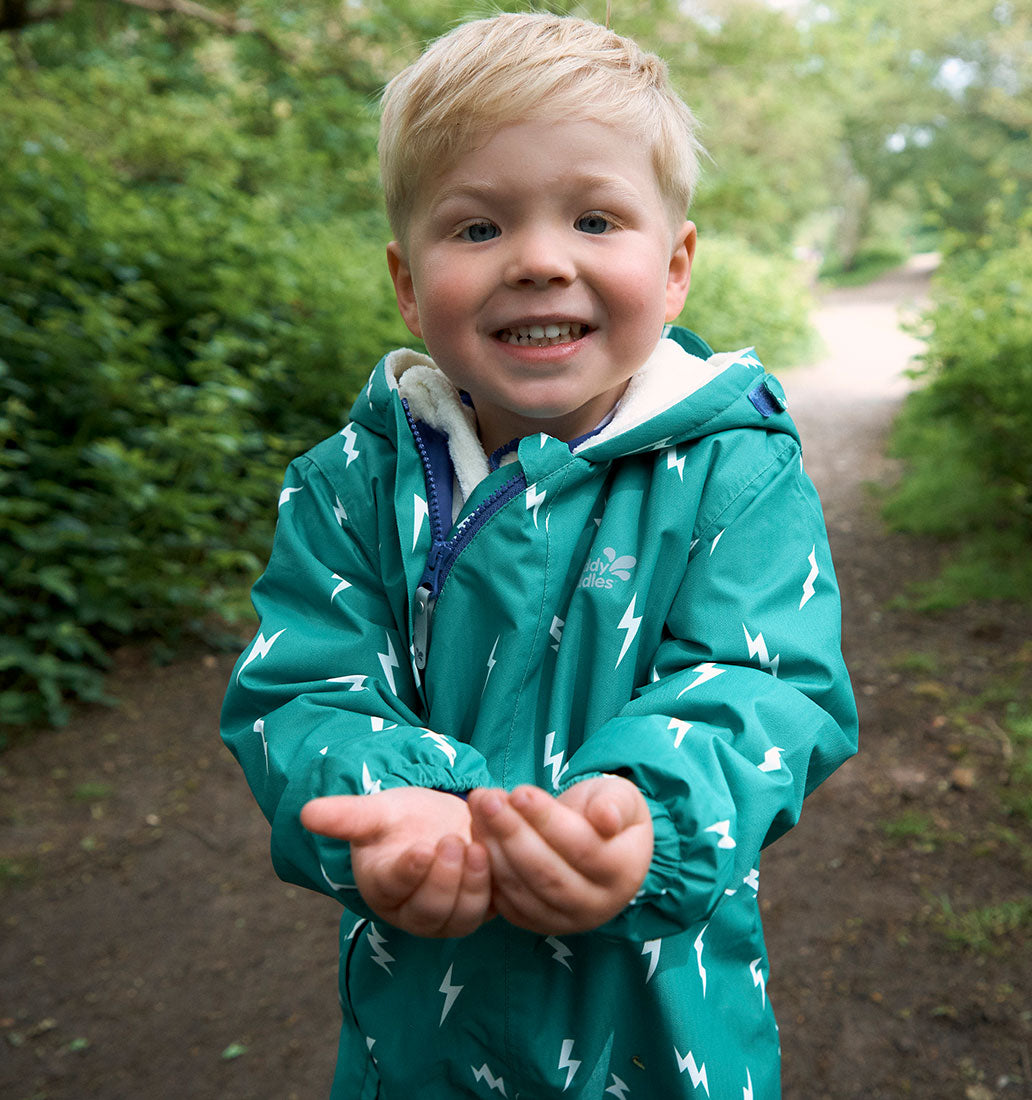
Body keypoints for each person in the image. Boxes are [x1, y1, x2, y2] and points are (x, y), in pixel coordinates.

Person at [220, 12, 858, 1099]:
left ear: (673, 268)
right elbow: (301, 688)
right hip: (418, 1029)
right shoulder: (350, 484)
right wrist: (402, 805)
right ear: (408, 284)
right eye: (476, 229)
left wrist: (641, 814)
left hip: (660, 1026)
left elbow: (767, 686)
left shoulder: (731, 471)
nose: (538, 260)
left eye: (594, 217)